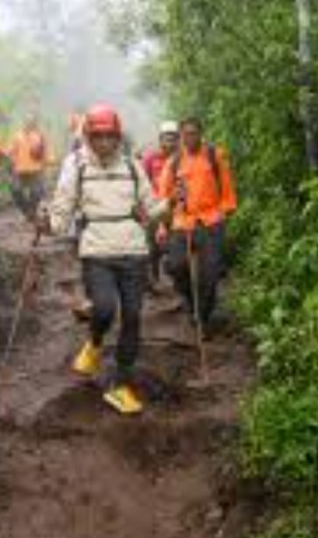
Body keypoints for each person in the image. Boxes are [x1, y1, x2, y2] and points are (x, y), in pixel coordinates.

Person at [38, 104, 168, 415]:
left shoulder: (132, 166)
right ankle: (95, 342)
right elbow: (62, 211)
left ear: (118, 136)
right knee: (106, 308)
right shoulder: (78, 166)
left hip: (134, 251)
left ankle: (119, 383)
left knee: (134, 317)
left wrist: (173, 202)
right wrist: (47, 223)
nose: (105, 142)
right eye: (98, 136)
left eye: (110, 136)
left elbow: (150, 211)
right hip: (96, 250)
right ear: (88, 136)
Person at [158, 117, 236, 332]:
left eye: (193, 133)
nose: (189, 138)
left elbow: (227, 188)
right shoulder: (173, 162)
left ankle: (202, 316)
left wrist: (225, 211)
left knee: (210, 274)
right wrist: (163, 225)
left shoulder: (214, 155)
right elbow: (163, 198)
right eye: (185, 134)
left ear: (201, 134)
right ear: (181, 136)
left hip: (211, 220)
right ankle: (190, 302)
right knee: (175, 266)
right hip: (182, 221)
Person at [142, 121, 181, 285]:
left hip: (177, 208)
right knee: (152, 247)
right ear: (160, 139)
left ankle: (176, 278)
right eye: (166, 139)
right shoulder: (151, 158)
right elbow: (143, 181)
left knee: (175, 244)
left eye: (173, 139)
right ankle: (154, 279)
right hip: (155, 207)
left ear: (178, 140)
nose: (169, 143)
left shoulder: (182, 158)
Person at [8, 113, 54, 223]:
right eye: (26, 121)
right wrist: (7, 158)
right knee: (15, 190)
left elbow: (47, 151)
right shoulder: (17, 136)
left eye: (31, 121)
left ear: (34, 123)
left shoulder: (40, 136)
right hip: (19, 170)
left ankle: (31, 213)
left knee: (36, 193)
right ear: (24, 122)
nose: (28, 123)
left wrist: (49, 160)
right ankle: (27, 212)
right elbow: (10, 151)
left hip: (36, 170)